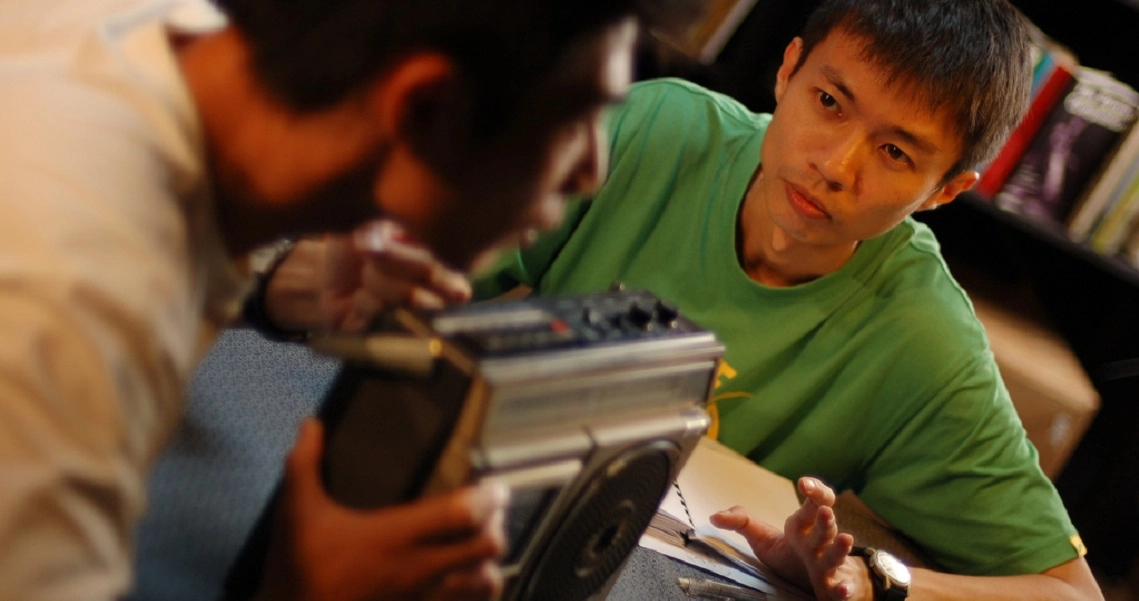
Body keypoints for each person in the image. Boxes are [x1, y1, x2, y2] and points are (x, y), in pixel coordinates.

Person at [0, 0, 700, 599]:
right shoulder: (65, 322)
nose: (592, 170)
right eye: (575, 118)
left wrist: (274, 274)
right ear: (428, 107)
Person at [451, 0, 1106, 599]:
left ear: (944, 191)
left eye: (893, 151)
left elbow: (1070, 594)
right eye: (827, 100)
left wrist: (875, 575)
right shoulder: (649, 130)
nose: (835, 165)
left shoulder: (923, 338)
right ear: (787, 69)